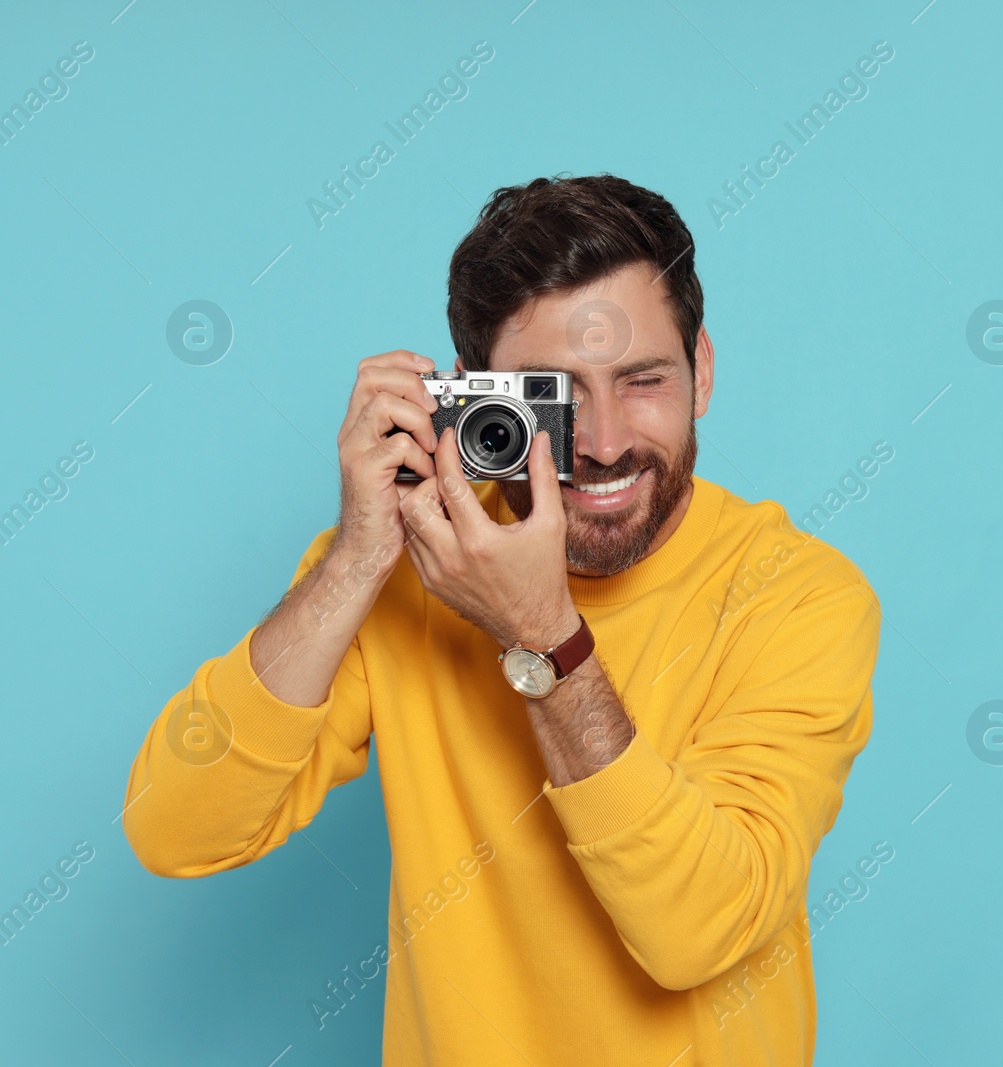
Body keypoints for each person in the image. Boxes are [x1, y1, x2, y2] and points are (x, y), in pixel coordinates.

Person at [123, 174, 881, 1065]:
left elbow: (701, 931)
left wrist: (543, 638)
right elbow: (174, 828)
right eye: (553, 397)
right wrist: (357, 561)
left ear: (702, 371)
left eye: (642, 381)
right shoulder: (404, 567)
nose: (602, 441)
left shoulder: (797, 594)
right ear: (475, 400)